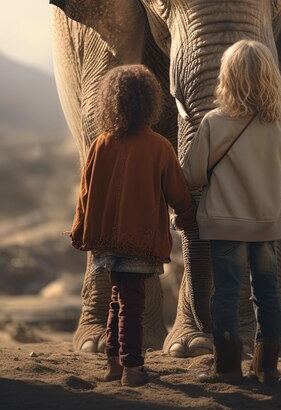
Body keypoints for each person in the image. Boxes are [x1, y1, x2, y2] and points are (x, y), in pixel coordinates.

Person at [182, 40, 281, 385]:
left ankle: (226, 368)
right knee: (268, 294)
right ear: (270, 77)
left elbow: (193, 176)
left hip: (225, 226)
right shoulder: (280, 119)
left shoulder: (214, 122)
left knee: (225, 295)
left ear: (227, 78)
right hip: (267, 225)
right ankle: (266, 368)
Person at [70, 64, 196, 387]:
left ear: (111, 103)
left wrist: (81, 230)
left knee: (116, 298)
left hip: (107, 243)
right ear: (149, 102)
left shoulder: (101, 144)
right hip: (140, 242)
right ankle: (133, 368)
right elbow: (177, 193)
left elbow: (85, 192)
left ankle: (113, 363)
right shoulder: (159, 147)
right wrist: (187, 216)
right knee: (131, 304)